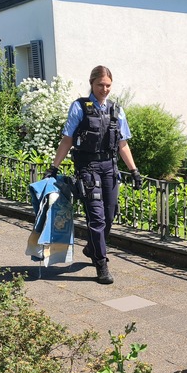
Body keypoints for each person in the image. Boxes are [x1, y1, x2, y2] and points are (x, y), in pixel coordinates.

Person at [44, 65, 142, 285]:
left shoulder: (116, 110)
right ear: (92, 83)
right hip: (88, 169)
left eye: (108, 85)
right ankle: (101, 264)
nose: (104, 89)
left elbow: (123, 144)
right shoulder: (79, 107)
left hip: (110, 168)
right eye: (100, 85)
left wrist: (134, 171)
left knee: (109, 216)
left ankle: (91, 247)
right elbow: (67, 140)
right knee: (96, 218)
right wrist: (54, 167)